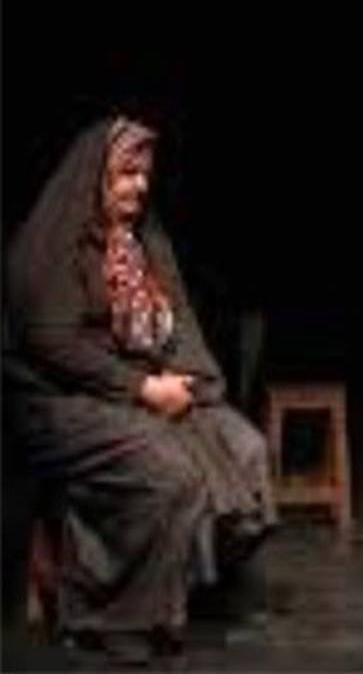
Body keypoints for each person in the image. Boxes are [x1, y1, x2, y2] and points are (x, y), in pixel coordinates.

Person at [4, 115, 278, 664]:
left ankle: (194, 585)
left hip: (137, 386)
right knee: (168, 471)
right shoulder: (54, 241)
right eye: (126, 173)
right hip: (59, 399)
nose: (140, 186)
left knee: (245, 449)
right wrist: (142, 388)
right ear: (95, 176)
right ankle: (115, 616)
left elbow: (178, 321)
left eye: (145, 174)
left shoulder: (142, 241)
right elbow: (52, 344)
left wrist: (197, 386)